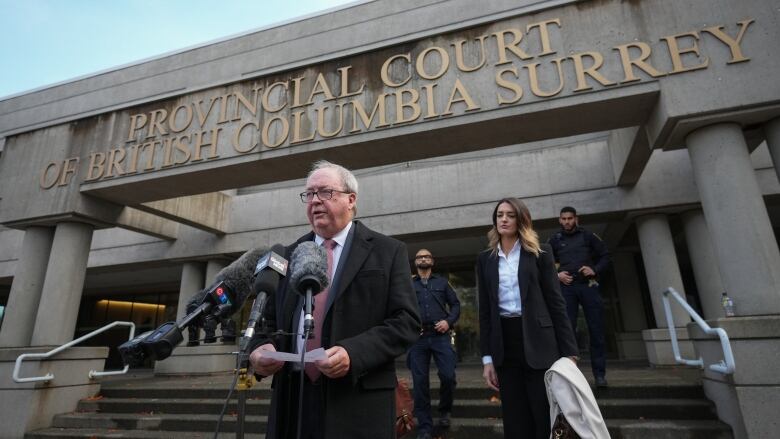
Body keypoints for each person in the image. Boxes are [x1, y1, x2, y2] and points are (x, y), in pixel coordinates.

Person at [248, 160, 421, 439]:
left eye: (325, 192)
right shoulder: (287, 255)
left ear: (351, 200)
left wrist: (353, 353)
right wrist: (259, 349)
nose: (315, 201)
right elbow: (267, 322)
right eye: (309, 194)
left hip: (357, 399)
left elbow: (406, 322)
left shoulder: (387, 251)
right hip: (294, 398)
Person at [477, 198, 578, 439]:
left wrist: (570, 352)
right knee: (514, 416)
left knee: (543, 411)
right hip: (504, 340)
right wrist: (487, 358)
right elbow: (485, 311)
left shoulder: (540, 253)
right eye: (500, 215)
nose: (503, 219)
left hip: (539, 341)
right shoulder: (485, 259)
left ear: (521, 219)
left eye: (510, 215)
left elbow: (556, 303)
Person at [548, 206, 610, 387]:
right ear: (560, 220)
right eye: (564, 219)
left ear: (576, 219)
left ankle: (599, 375)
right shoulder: (554, 240)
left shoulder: (588, 236)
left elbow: (606, 256)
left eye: (570, 218)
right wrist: (556, 275)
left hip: (588, 286)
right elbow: (543, 263)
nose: (567, 222)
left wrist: (594, 269)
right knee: (567, 332)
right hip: (567, 289)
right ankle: (570, 376)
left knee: (596, 330)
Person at [407, 249, 461, 439]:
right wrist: (411, 326)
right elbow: (401, 308)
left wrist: (448, 322)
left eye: (427, 256)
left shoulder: (442, 283)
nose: (423, 258)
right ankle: (424, 427)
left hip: (440, 336)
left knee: (448, 375)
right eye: (420, 256)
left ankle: (445, 411)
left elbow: (455, 305)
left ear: (432, 261)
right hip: (418, 339)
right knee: (420, 383)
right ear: (415, 262)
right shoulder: (407, 285)